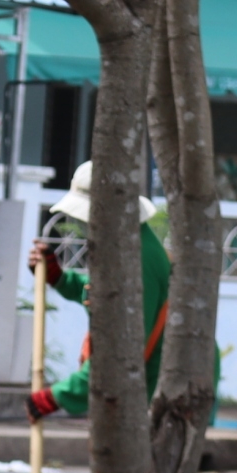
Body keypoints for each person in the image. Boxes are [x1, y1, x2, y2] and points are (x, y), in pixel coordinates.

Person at [26, 161, 170, 420]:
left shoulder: (136, 257)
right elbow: (104, 297)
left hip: (150, 396)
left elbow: (122, 346)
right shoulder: (126, 245)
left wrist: (60, 395)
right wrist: (60, 278)